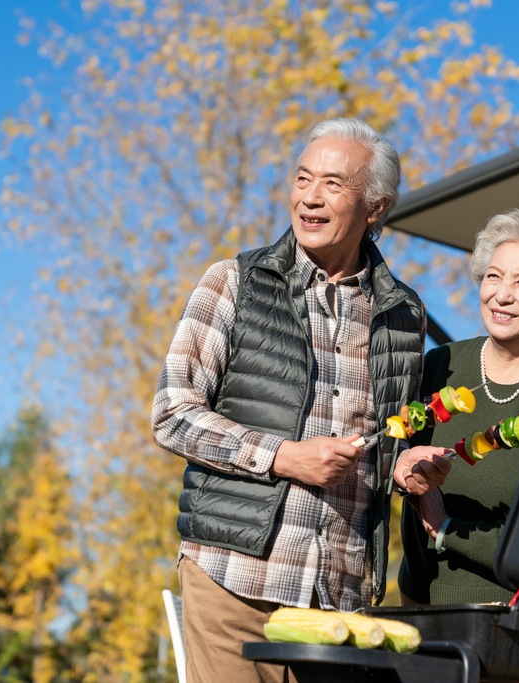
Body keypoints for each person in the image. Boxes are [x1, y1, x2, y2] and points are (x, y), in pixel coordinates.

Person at [151, 118, 452, 682]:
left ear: (375, 208)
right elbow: (172, 414)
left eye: (333, 185)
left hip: (342, 602)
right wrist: (283, 456)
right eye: (302, 178)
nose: (309, 198)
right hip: (234, 583)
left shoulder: (405, 315)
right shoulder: (233, 282)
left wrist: (407, 466)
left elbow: (388, 442)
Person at [397, 208, 519, 606]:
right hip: (416, 604)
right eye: (494, 276)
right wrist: (401, 470)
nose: (502, 295)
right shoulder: (439, 366)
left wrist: (445, 528)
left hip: (507, 614)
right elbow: (386, 452)